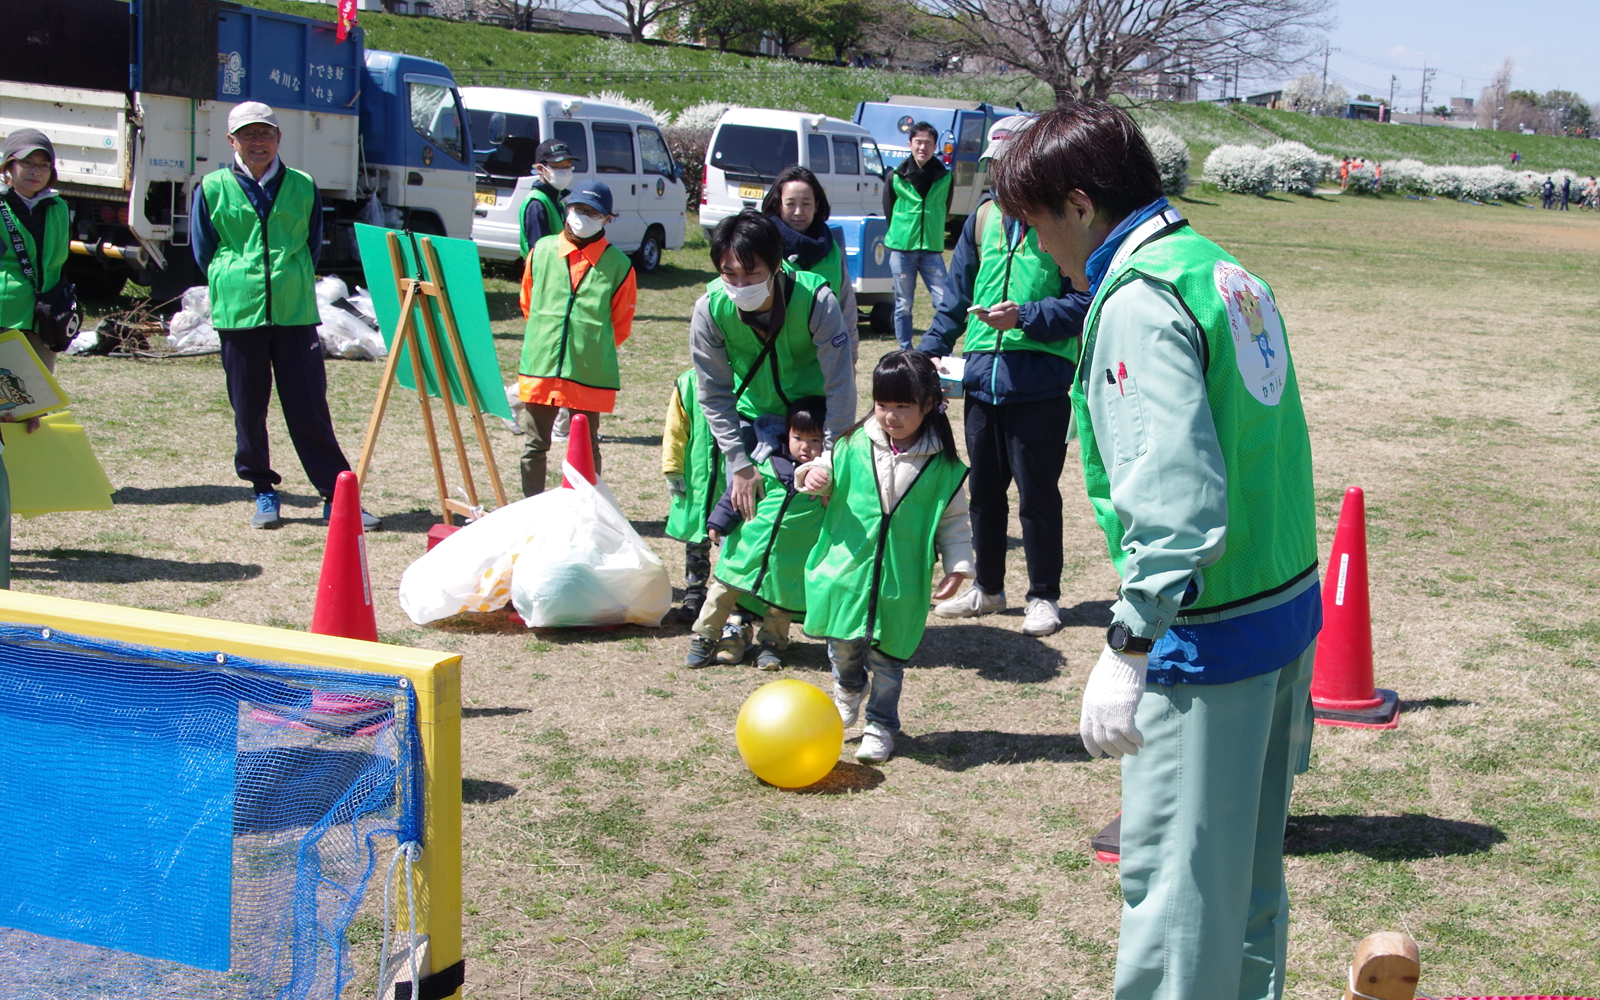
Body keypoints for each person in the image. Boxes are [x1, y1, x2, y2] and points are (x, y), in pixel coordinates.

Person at [992, 100, 1321, 1000]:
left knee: (1177, 901)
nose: (1035, 244)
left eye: (1035, 221)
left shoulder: (1141, 300)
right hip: (1281, 610)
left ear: (1082, 203)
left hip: (1210, 638)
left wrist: (1129, 642)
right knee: (1246, 887)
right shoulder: (1219, 268)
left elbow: (1176, 502)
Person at [920, 116, 1091, 638]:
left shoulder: (1062, 222)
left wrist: (1025, 318)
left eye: (1011, 165)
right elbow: (955, 296)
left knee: (1038, 494)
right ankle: (989, 589)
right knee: (984, 492)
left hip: (1038, 382)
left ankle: (1044, 596)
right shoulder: (981, 220)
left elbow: (1085, 301)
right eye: (995, 166)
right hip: (980, 380)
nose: (1001, 177)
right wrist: (930, 352)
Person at [190, 102, 380, 530]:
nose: (257, 142)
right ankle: (262, 490)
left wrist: (286, 277)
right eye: (247, 134)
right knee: (248, 407)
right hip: (239, 312)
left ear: (278, 138)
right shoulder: (213, 186)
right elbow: (204, 251)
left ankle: (335, 494)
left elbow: (312, 245)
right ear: (231, 141)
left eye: (265, 133)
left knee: (309, 404)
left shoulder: (302, 185)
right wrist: (237, 278)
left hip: (294, 312)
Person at [691, 211, 855, 659]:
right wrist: (738, 462)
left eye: (752, 274)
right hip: (751, 417)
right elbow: (713, 391)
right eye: (729, 273)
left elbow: (841, 381)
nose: (740, 284)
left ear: (778, 265)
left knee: (796, 525)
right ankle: (734, 621)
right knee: (744, 515)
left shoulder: (815, 300)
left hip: (808, 422)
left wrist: (831, 456)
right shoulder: (710, 308)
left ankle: (774, 624)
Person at [797, 350, 973, 763]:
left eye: (902, 406)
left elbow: (954, 521)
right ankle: (848, 686)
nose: (890, 416)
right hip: (847, 571)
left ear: (929, 405)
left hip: (900, 581)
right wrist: (812, 476)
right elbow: (817, 476)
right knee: (842, 643)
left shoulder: (944, 468)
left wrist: (958, 567)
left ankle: (880, 724)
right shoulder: (851, 444)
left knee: (889, 660)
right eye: (882, 405)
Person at [686, 399, 827, 670]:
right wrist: (718, 522)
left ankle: (771, 645)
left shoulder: (825, 480)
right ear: (786, 434)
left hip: (789, 557)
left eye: (815, 440)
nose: (805, 447)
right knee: (721, 592)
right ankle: (704, 636)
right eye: (798, 437)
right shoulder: (764, 463)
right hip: (747, 547)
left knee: (780, 604)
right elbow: (735, 496)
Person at [515, 178, 636, 496]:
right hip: (541, 365)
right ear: (567, 209)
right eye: (578, 209)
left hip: (588, 371)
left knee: (586, 447)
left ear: (607, 219)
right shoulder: (541, 251)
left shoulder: (619, 266)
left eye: (593, 213)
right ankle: (534, 509)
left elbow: (620, 325)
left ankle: (586, 509)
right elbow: (528, 303)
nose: (583, 217)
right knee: (534, 446)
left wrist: (587, 347)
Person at [761, 166, 858, 363]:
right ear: (778, 205)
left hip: (824, 364)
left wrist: (851, 356)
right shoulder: (764, 247)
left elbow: (846, 307)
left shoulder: (832, 251)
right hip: (776, 365)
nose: (798, 212)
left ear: (817, 204)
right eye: (790, 203)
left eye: (806, 203)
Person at [1, 129, 71, 374]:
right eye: (27, 163)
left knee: (35, 401)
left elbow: (58, 261)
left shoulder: (58, 206)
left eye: (44, 165)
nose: (35, 171)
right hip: (4, 314)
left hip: (45, 317)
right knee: (7, 401)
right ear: (9, 165)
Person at [882, 122, 953, 350]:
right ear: (910, 144)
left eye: (929, 143)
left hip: (931, 249)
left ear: (935, 147)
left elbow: (946, 208)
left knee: (944, 302)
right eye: (919, 142)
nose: (923, 147)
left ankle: (940, 347)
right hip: (902, 249)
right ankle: (905, 349)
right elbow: (888, 209)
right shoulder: (896, 176)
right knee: (903, 304)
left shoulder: (945, 177)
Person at [662, 368, 722, 624]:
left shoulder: (748, 371)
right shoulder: (688, 382)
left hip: (734, 476)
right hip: (699, 476)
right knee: (697, 540)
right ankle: (694, 592)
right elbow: (675, 429)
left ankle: (733, 598)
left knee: (736, 541)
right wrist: (673, 468)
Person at [518, 138, 574, 256]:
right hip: (544, 269)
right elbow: (539, 251)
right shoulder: (537, 204)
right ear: (540, 169)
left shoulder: (559, 197)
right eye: (557, 167)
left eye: (567, 166)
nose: (564, 172)